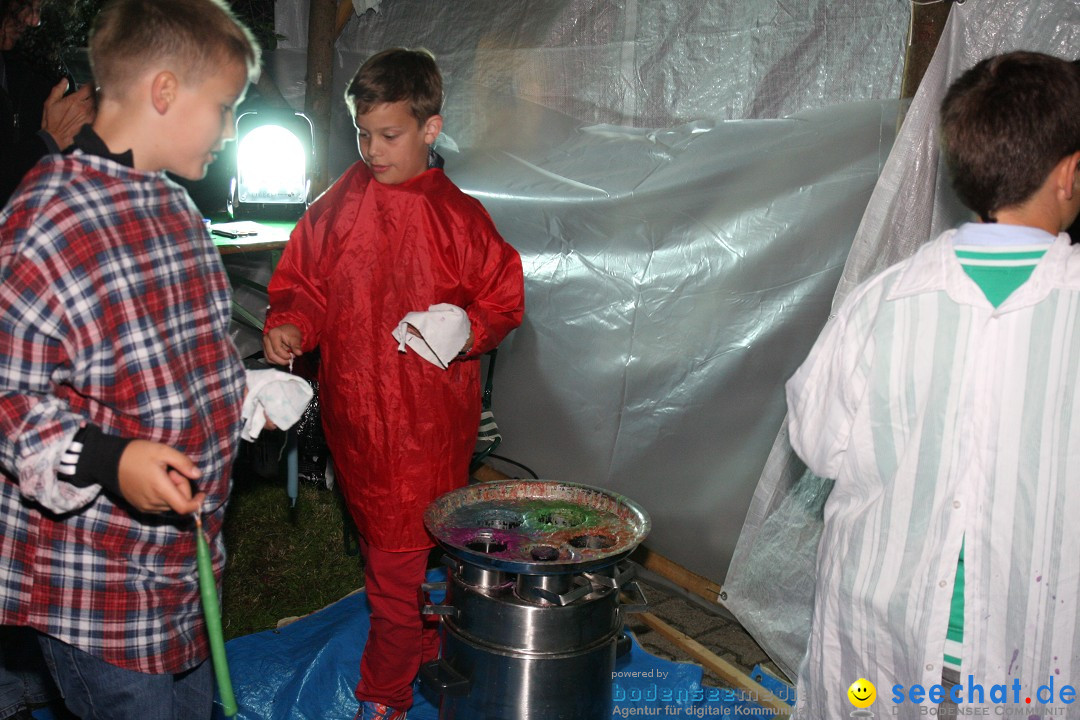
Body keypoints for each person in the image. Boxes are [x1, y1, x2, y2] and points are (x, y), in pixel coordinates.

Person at [786, 51, 1080, 718]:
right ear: (1069, 171)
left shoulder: (882, 301)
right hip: (1031, 653)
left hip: (882, 634)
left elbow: (817, 442)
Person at [0, 0, 258, 717]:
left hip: (182, 568)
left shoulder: (176, 209)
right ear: (166, 92)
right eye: (226, 107)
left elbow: (191, 354)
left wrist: (248, 390)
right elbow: (9, 398)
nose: (231, 130)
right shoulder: (46, 219)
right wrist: (110, 461)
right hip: (100, 592)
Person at [262, 48, 525, 720]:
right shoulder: (339, 204)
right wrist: (292, 323)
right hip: (357, 415)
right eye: (361, 133)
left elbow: (502, 297)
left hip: (428, 426)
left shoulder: (458, 218)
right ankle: (434, 640)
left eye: (389, 135)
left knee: (398, 564)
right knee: (402, 556)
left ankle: (385, 697)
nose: (371, 151)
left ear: (431, 129)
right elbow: (306, 283)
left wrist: (467, 326)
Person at [0, 0, 95, 207]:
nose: (34, 21)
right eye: (23, 4)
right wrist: (48, 142)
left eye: (39, 8)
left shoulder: (36, 69)